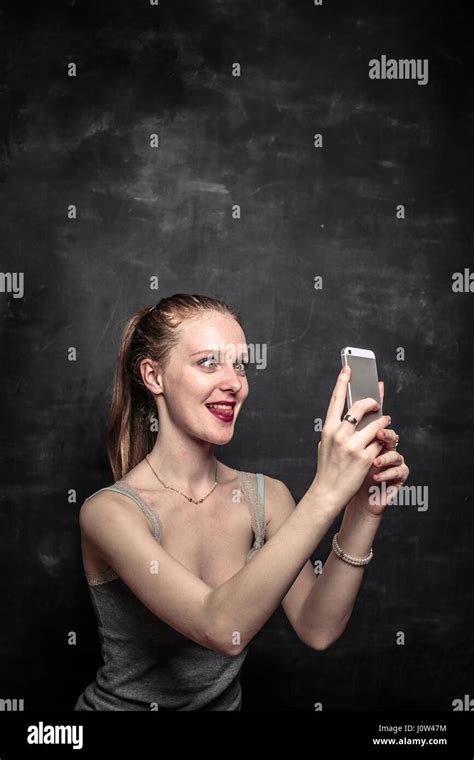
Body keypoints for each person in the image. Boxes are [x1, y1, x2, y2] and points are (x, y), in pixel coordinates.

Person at [74, 293, 409, 711]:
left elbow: (317, 626)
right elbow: (219, 625)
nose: (234, 382)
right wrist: (327, 491)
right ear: (153, 376)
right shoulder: (109, 513)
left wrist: (361, 511)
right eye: (208, 363)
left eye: (240, 365)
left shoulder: (265, 498)